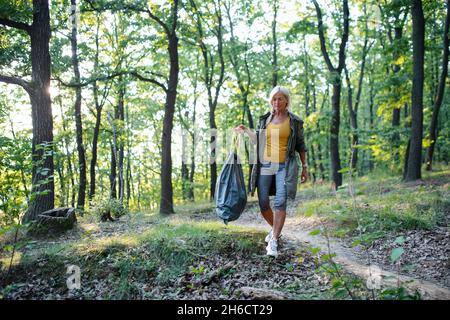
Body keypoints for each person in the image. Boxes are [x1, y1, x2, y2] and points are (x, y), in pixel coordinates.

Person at [235, 86, 308, 257]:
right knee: (263, 203)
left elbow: (301, 146)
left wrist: (305, 167)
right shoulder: (265, 120)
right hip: (265, 166)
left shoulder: (295, 122)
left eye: (280, 98)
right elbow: (258, 141)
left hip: (284, 166)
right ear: (271, 101)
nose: (277, 102)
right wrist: (246, 131)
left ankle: (273, 240)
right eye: (274, 99)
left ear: (286, 101)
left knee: (280, 201)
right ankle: (276, 230)